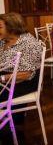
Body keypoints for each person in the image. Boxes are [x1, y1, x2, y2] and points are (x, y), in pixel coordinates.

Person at [0, 12, 42, 142]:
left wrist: (1, 79)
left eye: (0, 27)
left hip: (25, 81)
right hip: (7, 76)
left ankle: (7, 128)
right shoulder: (4, 40)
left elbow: (27, 74)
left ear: (11, 27)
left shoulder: (28, 43)